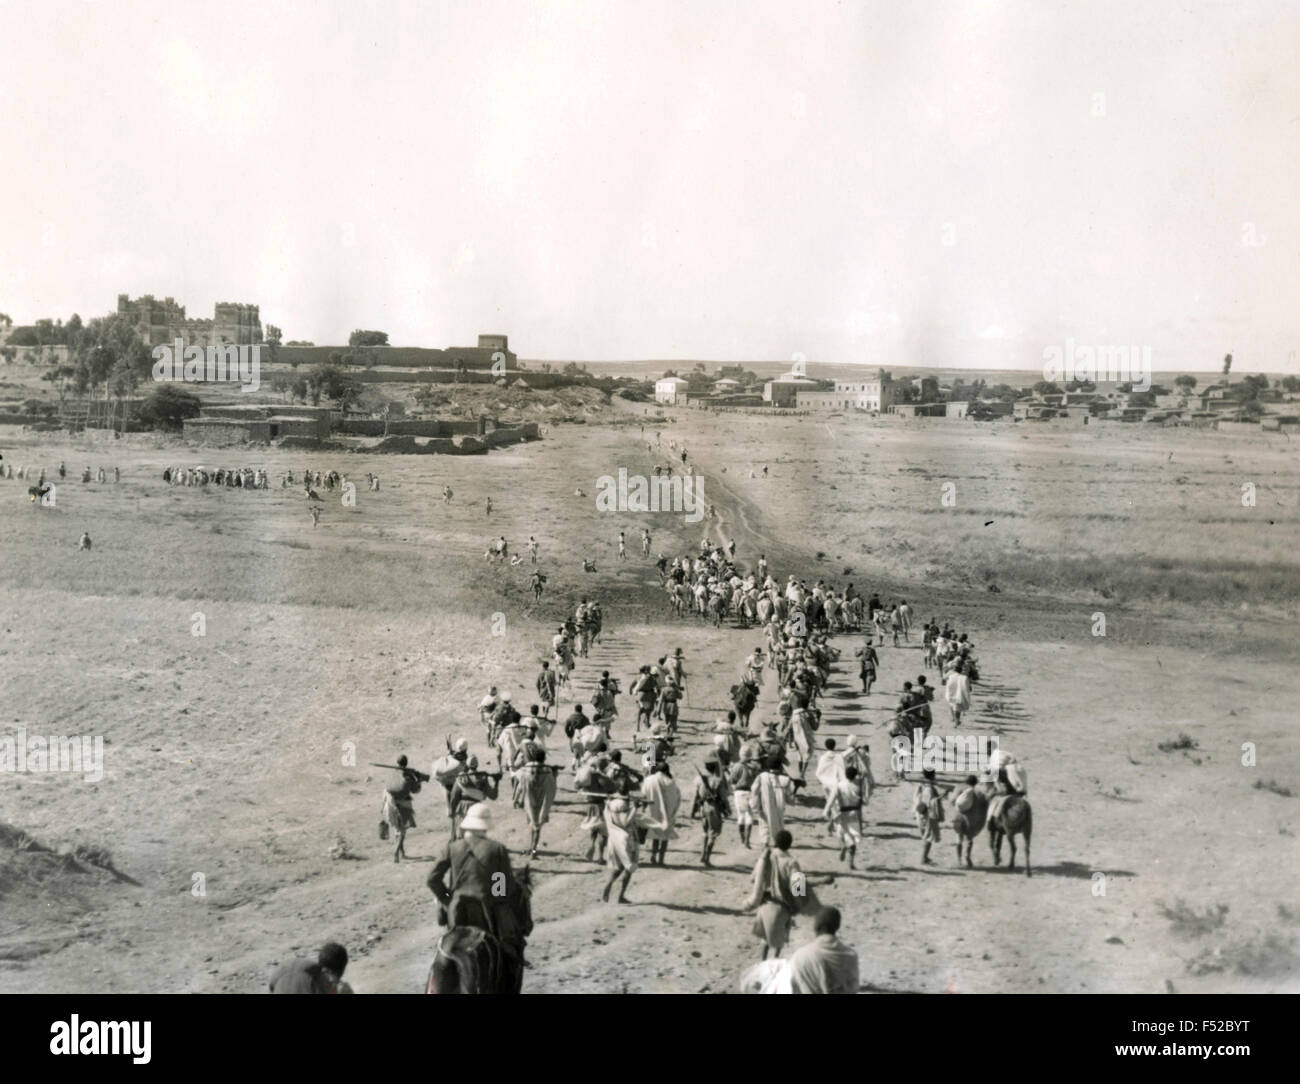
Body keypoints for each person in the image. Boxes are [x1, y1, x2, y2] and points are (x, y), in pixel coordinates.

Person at [427, 803, 527, 987]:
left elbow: (432, 879)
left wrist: (448, 899)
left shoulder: (452, 847)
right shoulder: (496, 849)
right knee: (509, 951)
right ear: (486, 826)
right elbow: (501, 888)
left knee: (446, 945)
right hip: (487, 914)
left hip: (456, 914)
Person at [744, 830, 818, 960]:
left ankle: (762, 963)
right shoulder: (791, 862)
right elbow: (798, 890)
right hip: (781, 908)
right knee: (779, 943)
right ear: (789, 845)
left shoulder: (765, 857)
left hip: (764, 906)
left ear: (775, 843)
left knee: (765, 942)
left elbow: (753, 879)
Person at [787, 907, 860, 994]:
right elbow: (853, 989)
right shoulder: (850, 955)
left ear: (816, 926)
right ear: (838, 926)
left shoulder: (800, 956)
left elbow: (792, 988)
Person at [601, 783, 645, 903]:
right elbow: (625, 821)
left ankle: (610, 884)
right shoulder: (623, 804)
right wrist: (635, 808)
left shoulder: (610, 803)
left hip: (615, 836)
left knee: (620, 866)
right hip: (627, 837)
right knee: (628, 867)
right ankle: (620, 895)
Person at [517, 747, 557, 858]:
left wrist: (517, 799)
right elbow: (552, 787)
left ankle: (532, 848)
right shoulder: (547, 771)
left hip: (530, 801)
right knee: (538, 826)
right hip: (541, 802)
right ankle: (534, 850)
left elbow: (520, 784)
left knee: (532, 825)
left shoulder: (526, 769)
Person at [269, 942, 354, 994]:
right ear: (326, 971)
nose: (334, 982)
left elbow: (272, 986)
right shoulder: (311, 980)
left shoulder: (315, 969)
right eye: (334, 979)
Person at [382, 755, 423, 862]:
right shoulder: (408, 777)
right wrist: (419, 780)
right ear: (406, 763)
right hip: (403, 807)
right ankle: (396, 853)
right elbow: (416, 790)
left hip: (390, 805)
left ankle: (402, 852)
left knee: (398, 830)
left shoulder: (392, 773)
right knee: (402, 832)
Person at [640, 761, 681, 866]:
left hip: (653, 811)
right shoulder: (671, 782)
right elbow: (676, 797)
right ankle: (661, 859)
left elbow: (643, 795)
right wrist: (672, 811)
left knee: (655, 835)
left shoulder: (649, 780)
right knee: (665, 837)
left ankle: (653, 856)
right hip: (667, 814)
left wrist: (644, 808)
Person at [691, 758, 731, 866]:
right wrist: (728, 809)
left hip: (703, 807)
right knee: (713, 834)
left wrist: (692, 811)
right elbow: (724, 797)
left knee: (705, 832)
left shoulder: (699, 779)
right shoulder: (718, 780)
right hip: (714, 808)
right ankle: (707, 858)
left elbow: (695, 796)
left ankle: (702, 854)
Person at [914, 768, 952, 866]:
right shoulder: (929, 788)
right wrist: (944, 794)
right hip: (929, 815)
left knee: (927, 836)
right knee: (929, 837)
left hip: (923, 814)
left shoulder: (923, 785)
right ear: (932, 776)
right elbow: (931, 802)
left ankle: (925, 857)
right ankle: (923, 858)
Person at [830, 766, 866, 868]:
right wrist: (861, 823)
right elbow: (860, 806)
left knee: (842, 835)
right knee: (854, 839)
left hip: (842, 813)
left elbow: (835, 802)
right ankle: (851, 862)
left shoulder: (839, 785)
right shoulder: (857, 788)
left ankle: (843, 846)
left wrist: (832, 818)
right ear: (855, 777)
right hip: (853, 814)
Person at [945, 662, 971, 726]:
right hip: (960, 694)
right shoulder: (964, 677)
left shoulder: (951, 676)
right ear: (961, 670)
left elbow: (948, 685)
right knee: (957, 708)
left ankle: (955, 719)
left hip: (951, 694)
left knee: (952, 706)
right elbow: (967, 687)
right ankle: (957, 720)